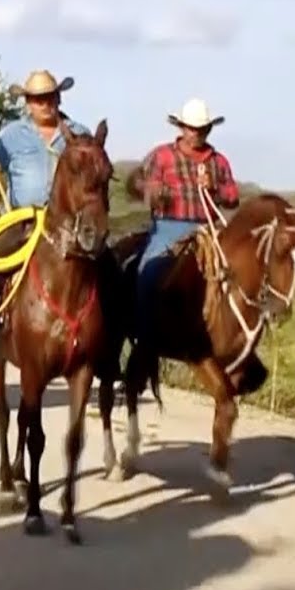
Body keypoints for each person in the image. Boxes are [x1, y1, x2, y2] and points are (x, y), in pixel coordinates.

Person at [0, 69, 93, 377]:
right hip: (23, 219)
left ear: (59, 97)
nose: (45, 104)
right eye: (37, 99)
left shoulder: (78, 132)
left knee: (105, 266)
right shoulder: (10, 134)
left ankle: (107, 348)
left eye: (49, 97)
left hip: (68, 223)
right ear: (28, 103)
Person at [126, 98, 241, 383]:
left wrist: (215, 188)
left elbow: (233, 196)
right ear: (181, 127)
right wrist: (153, 190)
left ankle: (237, 344)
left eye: (202, 129)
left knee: (238, 274)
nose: (197, 134)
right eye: (192, 128)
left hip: (208, 227)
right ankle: (144, 340)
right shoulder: (161, 156)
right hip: (169, 226)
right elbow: (135, 184)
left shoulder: (218, 161)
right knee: (147, 271)